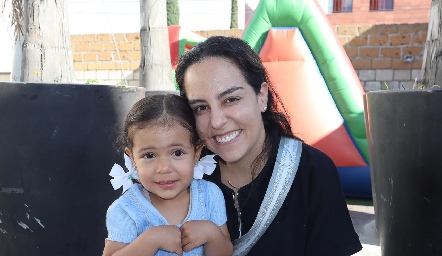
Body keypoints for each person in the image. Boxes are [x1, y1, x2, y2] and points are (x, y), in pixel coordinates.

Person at [175, 36, 363, 255]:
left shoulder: (311, 171)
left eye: (231, 99)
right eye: (201, 108)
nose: (217, 121)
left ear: (261, 96)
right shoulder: (182, 176)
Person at [102, 94, 233, 256]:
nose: (163, 168)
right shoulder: (126, 210)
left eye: (177, 153)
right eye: (149, 155)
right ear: (133, 159)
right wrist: (150, 240)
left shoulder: (209, 196)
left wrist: (212, 234)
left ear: (196, 153)